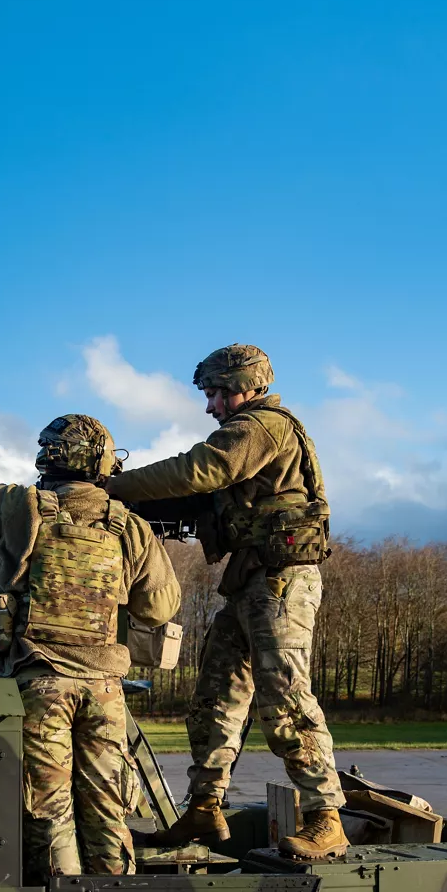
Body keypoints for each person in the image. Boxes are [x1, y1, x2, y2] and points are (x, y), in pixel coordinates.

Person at [106, 344, 347, 861]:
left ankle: (327, 817)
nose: (210, 405)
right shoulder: (251, 434)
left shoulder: (263, 426)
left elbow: (201, 469)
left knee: (284, 699)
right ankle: (203, 809)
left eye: (215, 393)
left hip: (280, 582)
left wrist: (112, 487)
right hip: (250, 582)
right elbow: (198, 495)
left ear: (244, 385)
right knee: (215, 699)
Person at [0, 415, 181, 881]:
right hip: (103, 689)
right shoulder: (129, 526)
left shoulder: (20, 507)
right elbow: (159, 606)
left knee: (48, 807)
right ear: (102, 462)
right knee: (107, 805)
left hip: (40, 682)